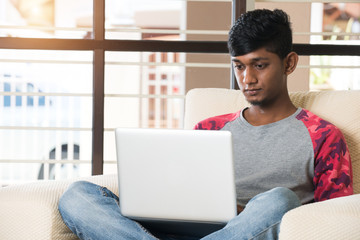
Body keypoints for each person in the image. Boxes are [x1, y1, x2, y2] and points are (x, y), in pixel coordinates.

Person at [58, 9, 353, 240]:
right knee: (78, 195)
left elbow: (330, 219)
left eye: (259, 65)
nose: (247, 79)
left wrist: (242, 214)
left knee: (280, 200)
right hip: (179, 232)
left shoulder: (323, 135)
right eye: (239, 66)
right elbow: (182, 195)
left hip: (253, 232)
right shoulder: (209, 129)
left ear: (289, 63)